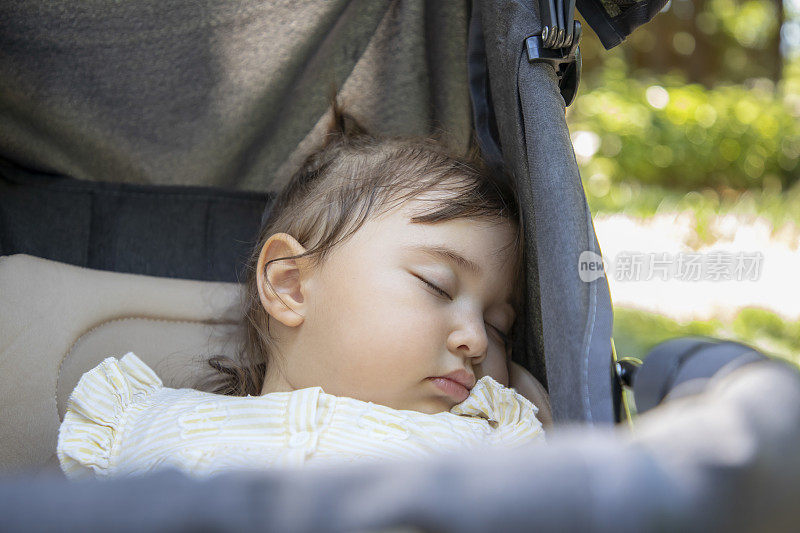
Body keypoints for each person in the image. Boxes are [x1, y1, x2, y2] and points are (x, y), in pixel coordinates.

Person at [56, 96, 551, 480]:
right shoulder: (152, 425)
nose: (478, 340)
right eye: (437, 286)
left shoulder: (486, 450)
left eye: (498, 325)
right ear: (291, 285)